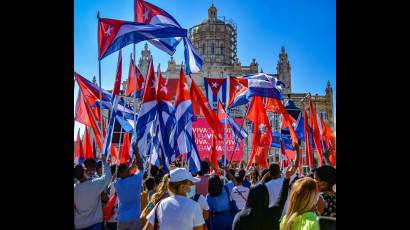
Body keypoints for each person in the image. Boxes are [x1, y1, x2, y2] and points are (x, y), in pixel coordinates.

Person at [232, 166, 296, 230]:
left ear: (250, 196)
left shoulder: (240, 217)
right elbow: (281, 200)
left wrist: (263, 178)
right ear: (265, 197)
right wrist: (286, 178)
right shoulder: (270, 214)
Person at [74, 154, 112, 230]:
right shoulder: (93, 184)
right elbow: (108, 177)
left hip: (79, 225)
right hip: (95, 224)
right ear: (85, 171)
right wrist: (104, 161)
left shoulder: (75, 189)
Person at [113, 152, 144, 230]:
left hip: (122, 218)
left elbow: (117, 176)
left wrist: (129, 169)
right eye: (128, 170)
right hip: (135, 217)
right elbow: (141, 167)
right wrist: (137, 152)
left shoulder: (117, 183)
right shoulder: (136, 179)